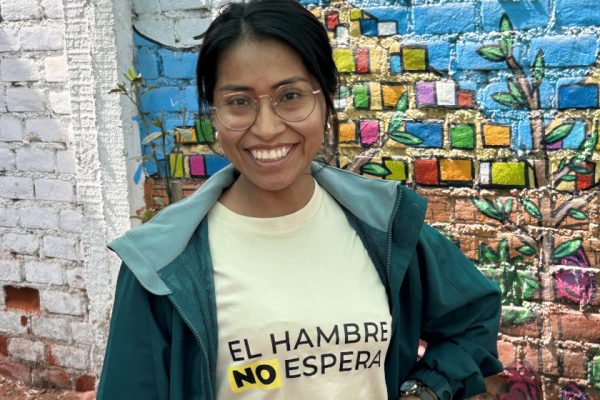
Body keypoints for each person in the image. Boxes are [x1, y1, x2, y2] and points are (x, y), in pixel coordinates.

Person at [97, 0, 503, 399]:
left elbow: (472, 320)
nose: (267, 128)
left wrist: (424, 391)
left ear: (326, 99)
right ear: (214, 113)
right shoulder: (163, 265)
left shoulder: (385, 226)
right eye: (238, 102)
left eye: (290, 96)